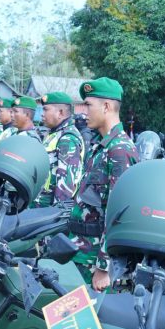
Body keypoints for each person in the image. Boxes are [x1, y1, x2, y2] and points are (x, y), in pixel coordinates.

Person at [67, 78, 139, 288]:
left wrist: (103, 267)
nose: (83, 112)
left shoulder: (120, 150)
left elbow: (119, 213)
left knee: (93, 319)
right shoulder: (101, 147)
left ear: (106, 106)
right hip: (82, 251)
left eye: (88, 105)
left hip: (95, 262)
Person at [35, 92, 84, 208]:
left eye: (46, 110)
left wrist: (56, 218)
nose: (42, 115)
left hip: (48, 213)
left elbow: (65, 189)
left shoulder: (67, 138)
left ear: (60, 113)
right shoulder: (54, 134)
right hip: (40, 207)